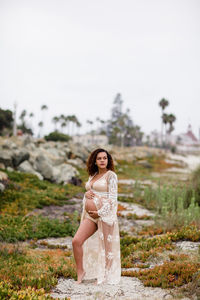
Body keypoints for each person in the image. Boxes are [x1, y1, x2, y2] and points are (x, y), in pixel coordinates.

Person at [72, 148, 121, 285]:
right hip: (91, 216)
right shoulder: (92, 176)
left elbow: (113, 199)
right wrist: (86, 195)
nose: (102, 161)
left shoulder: (111, 176)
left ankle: (106, 276)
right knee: (76, 241)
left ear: (108, 160)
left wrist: (100, 212)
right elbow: (90, 194)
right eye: (99, 158)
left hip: (105, 215)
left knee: (107, 248)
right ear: (94, 161)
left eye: (105, 158)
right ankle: (80, 271)